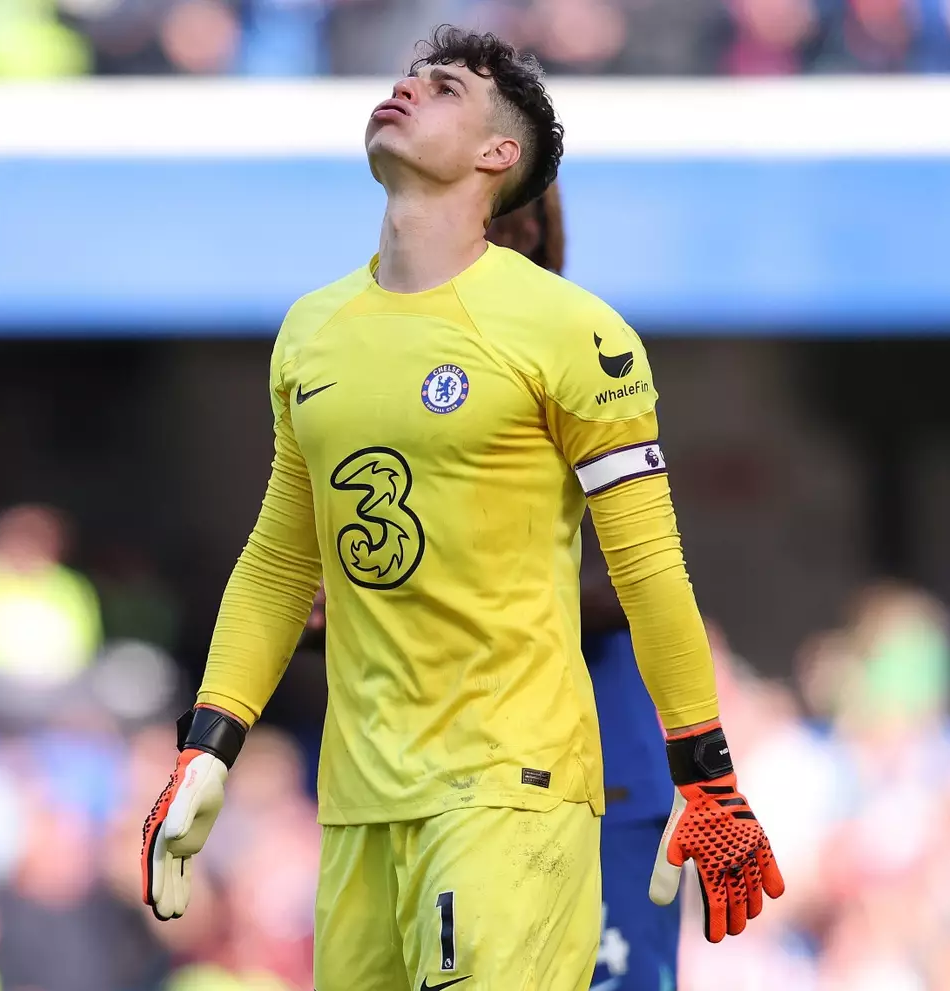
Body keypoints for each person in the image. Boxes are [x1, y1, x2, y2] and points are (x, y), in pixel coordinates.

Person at [140, 26, 783, 991]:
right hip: (358, 804)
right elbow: (280, 562)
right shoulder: (312, 331)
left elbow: (651, 572)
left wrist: (709, 774)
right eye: (406, 75)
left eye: (441, 87)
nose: (404, 89)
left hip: (507, 793)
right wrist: (208, 743)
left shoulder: (575, 332)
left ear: (499, 156)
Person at [487, 184, 680, 991]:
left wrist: (471, 590)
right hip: (467, 768)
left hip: (607, 763)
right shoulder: (393, 365)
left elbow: (642, 572)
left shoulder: (582, 356)